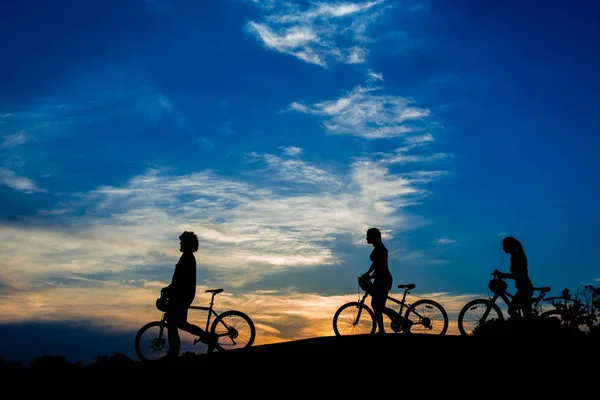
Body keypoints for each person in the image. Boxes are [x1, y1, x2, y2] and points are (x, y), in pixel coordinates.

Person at [161, 230, 213, 361]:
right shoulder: (186, 257)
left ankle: (173, 352)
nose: (180, 243)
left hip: (182, 296)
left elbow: (180, 280)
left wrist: (168, 289)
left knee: (174, 322)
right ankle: (208, 338)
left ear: (187, 244)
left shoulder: (187, 258)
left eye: (182, 242)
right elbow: (178, 280)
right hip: (181, 295)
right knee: (181, 324)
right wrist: (169, 289)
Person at [361, 227, 394, 334]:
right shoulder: (378, 248)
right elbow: (378, 265)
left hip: (383, 280)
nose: (366, 238)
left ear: (373, 237)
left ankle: (384, 329)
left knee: (377, 305)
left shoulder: (380, 249)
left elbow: (377, 264)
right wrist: (370, 275)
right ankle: (382, 329)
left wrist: (368, 274)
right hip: (380, 278)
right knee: (377, 305)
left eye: (368, 236)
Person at [494, 236, 534, 321]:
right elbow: (516, 275)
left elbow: (517, 275)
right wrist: (503, 274)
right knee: (526, 315)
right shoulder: (516, 255)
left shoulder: (517, 256)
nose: (503, 248)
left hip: (524, 289)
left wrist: (502, 274)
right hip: (524, 288)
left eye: (504, 246)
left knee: (512, 310)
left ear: (509, 246)